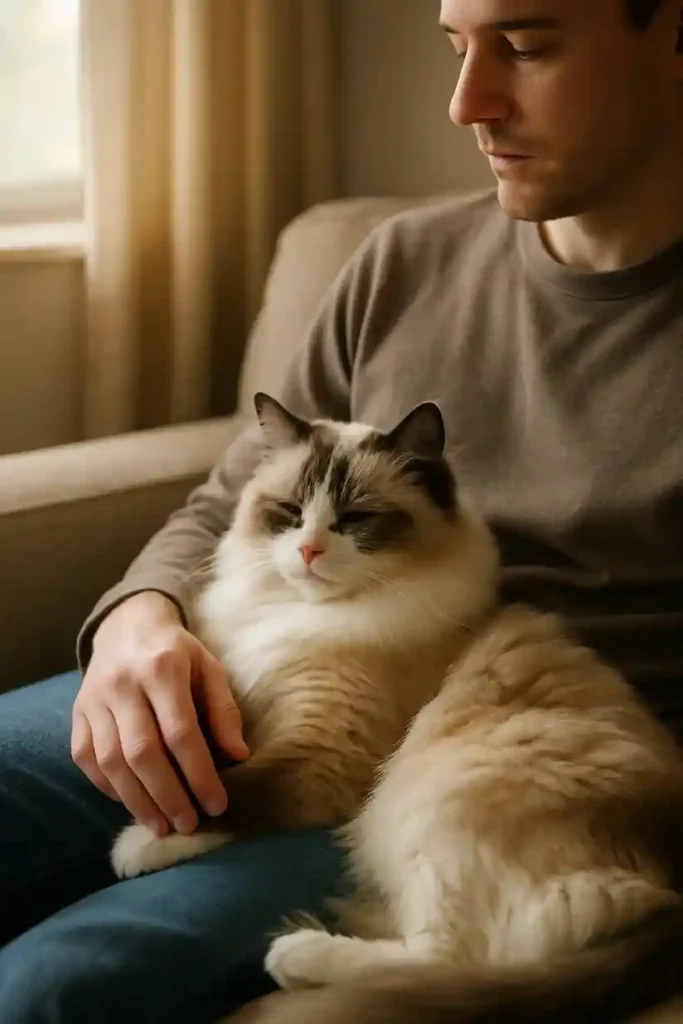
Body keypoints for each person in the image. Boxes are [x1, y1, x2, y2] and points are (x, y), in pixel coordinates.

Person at [2, 0, 683, 1021]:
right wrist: (138, 619)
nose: (467, 103)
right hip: (248, 665)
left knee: (56, 988)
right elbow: (225, 497)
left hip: (461, 760)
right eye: (455, 48)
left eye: (527, 47)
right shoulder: (401, 262)